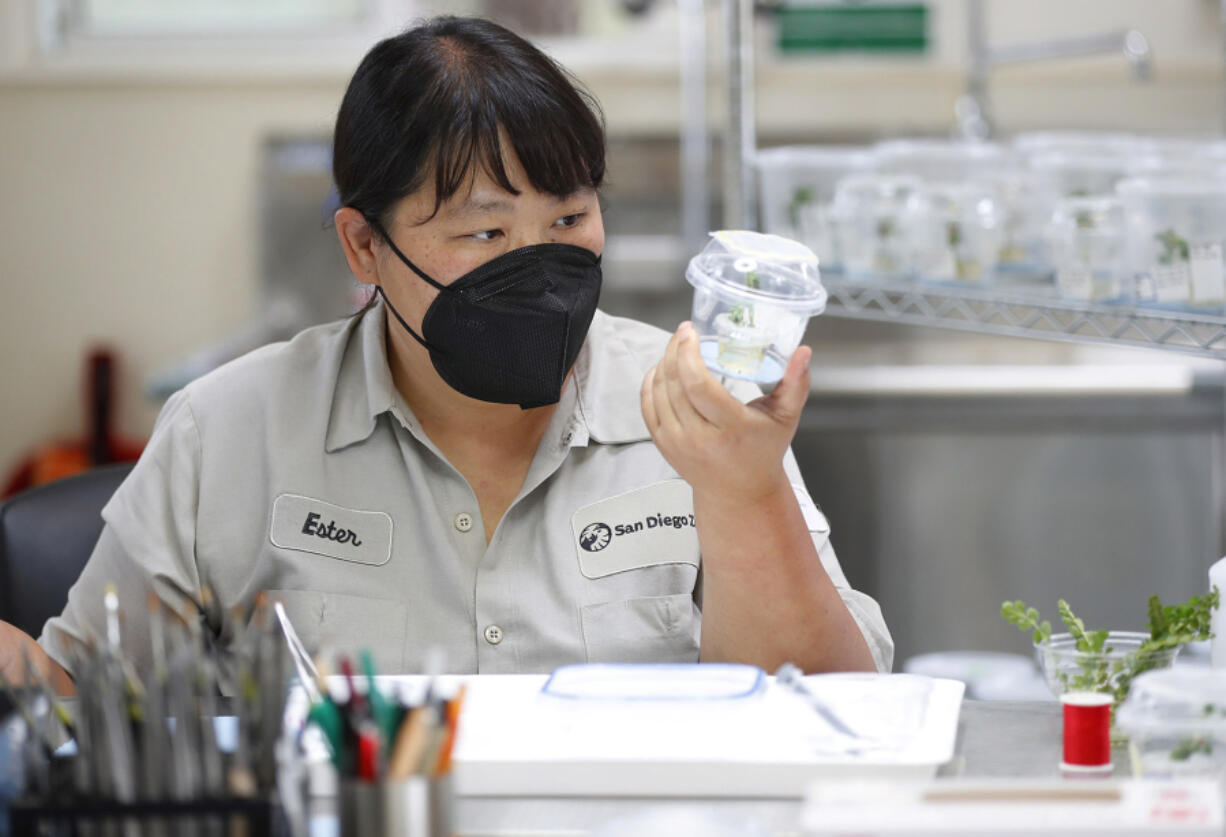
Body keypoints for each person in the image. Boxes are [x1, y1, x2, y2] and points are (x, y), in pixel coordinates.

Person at [0, 15, 891, 696]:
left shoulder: (697, 408)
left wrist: (746, 492)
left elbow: (840, 714)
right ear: (362, 248)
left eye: (570, 219)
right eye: (485, 230)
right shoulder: (229, 430)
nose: (538, 267)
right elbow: (82, 710)